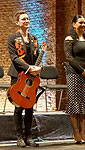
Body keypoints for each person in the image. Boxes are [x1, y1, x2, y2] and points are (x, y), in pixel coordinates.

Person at [7, 10, 41, 147]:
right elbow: (14, 58)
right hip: (18, 74)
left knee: (30, 106)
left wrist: (39, 68)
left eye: (27, 19)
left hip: (31, 76)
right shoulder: (12, 38)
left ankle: (29, 136)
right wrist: (28, 67)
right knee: (19, 106)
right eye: (23, 19)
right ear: (17, 22)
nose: (26, 21)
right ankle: (19, 137)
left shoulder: (34, 38)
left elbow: (38, 56)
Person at [64, 15, 85, 144]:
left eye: (84, 23)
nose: (83, 25)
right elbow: (69, 57)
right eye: (80, 22)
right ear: (74, 24)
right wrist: (82, 71)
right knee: (74, 103)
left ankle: (83, 132)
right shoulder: (70, 38)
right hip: (74, 74)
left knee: (84, 103)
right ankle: (76, 132)